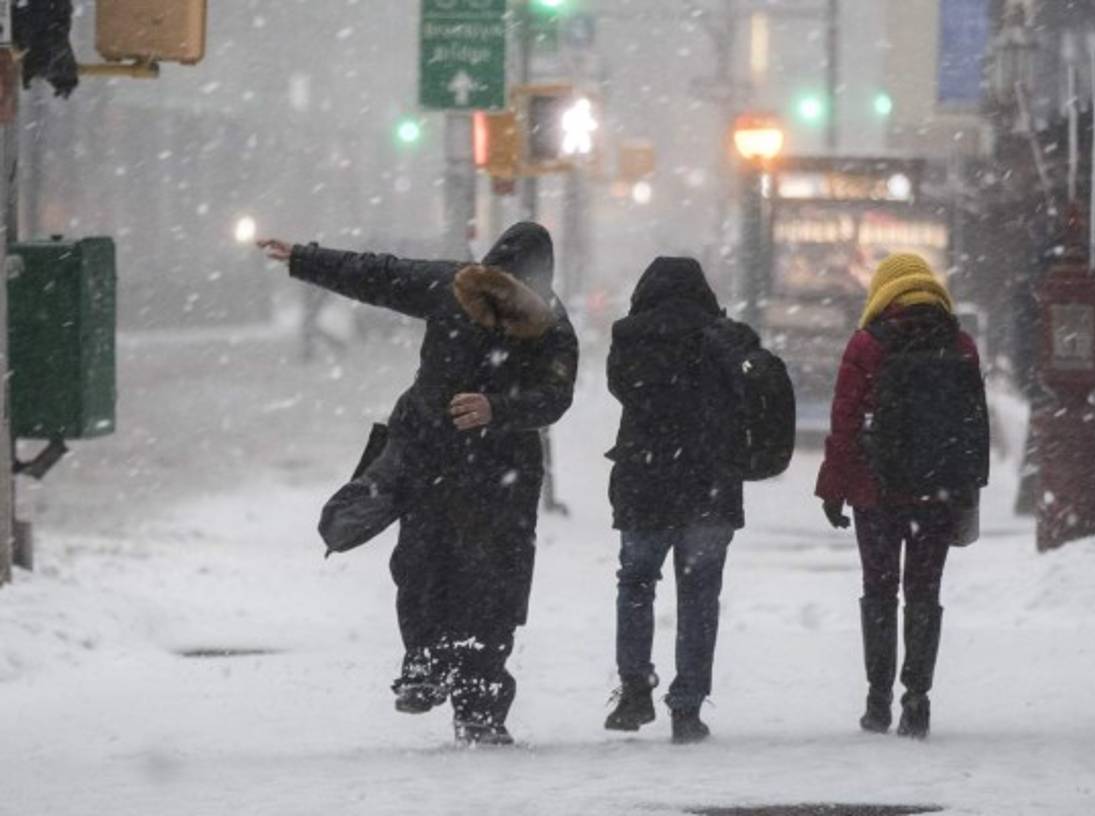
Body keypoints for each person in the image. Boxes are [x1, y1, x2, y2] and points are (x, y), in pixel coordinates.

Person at [259, 223, 578, 746]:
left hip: (488, 470)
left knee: (480, 585)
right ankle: (432, 671)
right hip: (443, 459)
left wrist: (496, 409)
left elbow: (556, 397)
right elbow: (377, 274)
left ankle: (469, 699)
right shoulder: (459, 287)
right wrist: (305, 258)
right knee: (428, 567)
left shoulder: (545, 324)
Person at [815, 253, 987, 740]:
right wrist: (969, 486)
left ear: (883, 292)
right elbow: (974, 423)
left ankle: (877, 700)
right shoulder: (960, 344)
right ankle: (917, 699)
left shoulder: (867, 344)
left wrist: (834, 488)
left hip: (877, 490)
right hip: (938, 490)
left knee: (879, 589)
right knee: (924, 592)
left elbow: (845, 422)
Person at [602, 257, 744, 744]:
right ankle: (687, 708)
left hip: (646, 483)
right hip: (709, 485)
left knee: (636, 583)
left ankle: (634, 689)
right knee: (700, 594)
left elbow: (622, 388)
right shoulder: (724, 338)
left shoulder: (628, 337)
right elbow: (745, 398)